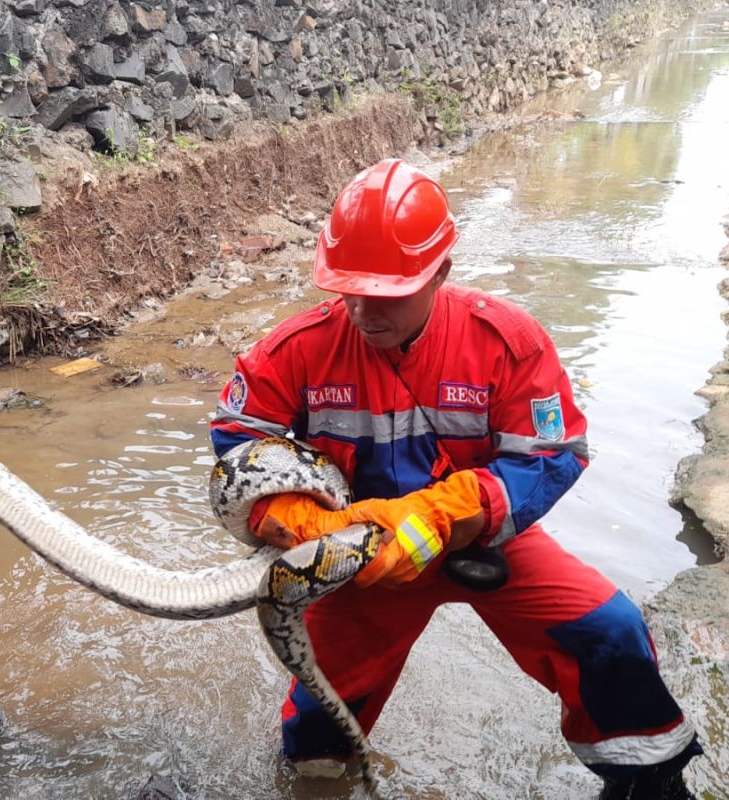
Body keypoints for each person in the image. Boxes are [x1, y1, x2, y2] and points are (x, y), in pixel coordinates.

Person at [210, 159, 701, 799]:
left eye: (384, 294)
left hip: (482, 539)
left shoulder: (506, 342)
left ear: (440, 271)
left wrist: (452, 511)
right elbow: (238, 444)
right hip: (363, 556)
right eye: (347, 289)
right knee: (321, 715)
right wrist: (309, 525)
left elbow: (555, 454)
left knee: (611, 633)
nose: (362, 312)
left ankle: (649, 785)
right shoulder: (295, 350)